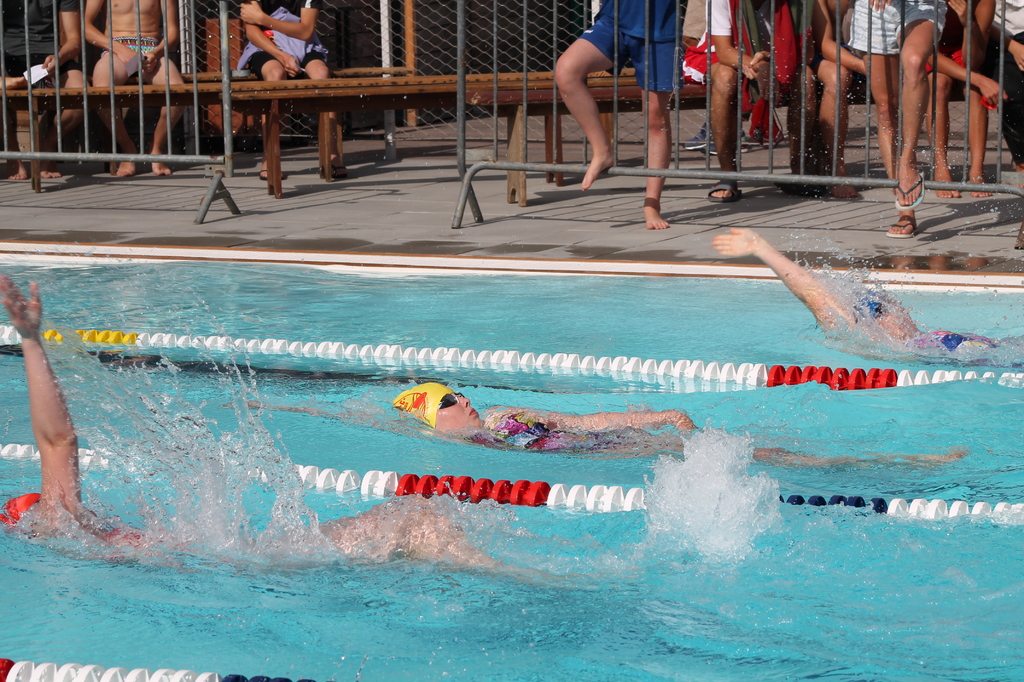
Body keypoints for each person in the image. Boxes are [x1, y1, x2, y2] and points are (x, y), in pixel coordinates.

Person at [0, 276, 500, 569]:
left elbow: (58, 442)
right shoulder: (60, 521)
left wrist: (30, 339)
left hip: (243, 557)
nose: (55, 497)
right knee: (416, 520)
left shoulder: (82, 535)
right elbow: (58, 439)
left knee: (417, 517)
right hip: (244, 563)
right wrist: (30, 340)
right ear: (35, 524)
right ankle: (521, 578)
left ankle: (509, 575)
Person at [711, 227, 1002, 353]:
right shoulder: (884, 347)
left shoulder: (923, 340)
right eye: (880, 309)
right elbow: (816, 296)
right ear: (872, 328)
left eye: (887, 302)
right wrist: (763, 249)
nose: (896, 307)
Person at [554, 0, 679, 230]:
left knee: (656, 119)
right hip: (615, 19)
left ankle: (652, 203)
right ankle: (602, 151)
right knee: (566, 70)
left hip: (660, 28)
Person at [705, 0, 818, 202]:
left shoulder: (797, 2)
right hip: (730, 57)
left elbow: (807, 54)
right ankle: (727, 174)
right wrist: (758, 64)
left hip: (778, 59)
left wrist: (769, 58)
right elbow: (724, 51)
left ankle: (799, 169)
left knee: (806, 77)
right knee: (724, 77)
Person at [849, 0, 945, 238]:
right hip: (872, 10)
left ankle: (908, 162)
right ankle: (905, 212)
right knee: (885, 110)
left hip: (921, 6)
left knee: (914, 61)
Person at [237, 0, 345, 181]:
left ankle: (332, 153)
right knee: (275, 74)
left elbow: (306, 31)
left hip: (302, 46)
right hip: (267, 47)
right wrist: (282, 56)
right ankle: (269, 157)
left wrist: (263, 18)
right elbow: (252, 32)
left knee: (321, 73)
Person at [84, 0, 185, 177]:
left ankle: (156, 148)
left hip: (150, 50)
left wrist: (156, 53)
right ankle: (128, 148)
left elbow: (172, 31)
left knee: (179, 91)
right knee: (101, 90)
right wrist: (118, 48)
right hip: (115, 49)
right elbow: (85, 27)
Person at [2, 0, 85, 180]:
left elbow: (75, 40)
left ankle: (47, 146)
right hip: (8, 56)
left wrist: (59, 57)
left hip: (51, 56)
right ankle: (13, 152)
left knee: (81, 95)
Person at [928, 0, 1000, 199]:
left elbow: (973, 61)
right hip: (932, 51)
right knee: (938, 86)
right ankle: (940, 166)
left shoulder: (984, 2)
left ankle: (977, 169)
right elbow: (927, 53)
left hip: (964, 48)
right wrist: (979, 79)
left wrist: (969, 24)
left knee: (975, 90)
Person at [811, 0, 867, 198]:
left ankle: (900, 168)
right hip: (821, 53)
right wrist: (867, 67)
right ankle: (837, 166)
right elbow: (824, 45)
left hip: (860, 50)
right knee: (838, 77)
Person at [984, 0, 1024, 185]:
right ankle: (1021, 161)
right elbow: (979, 19)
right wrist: (1013, 47)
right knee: (1009, 91)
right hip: (1000, 39)